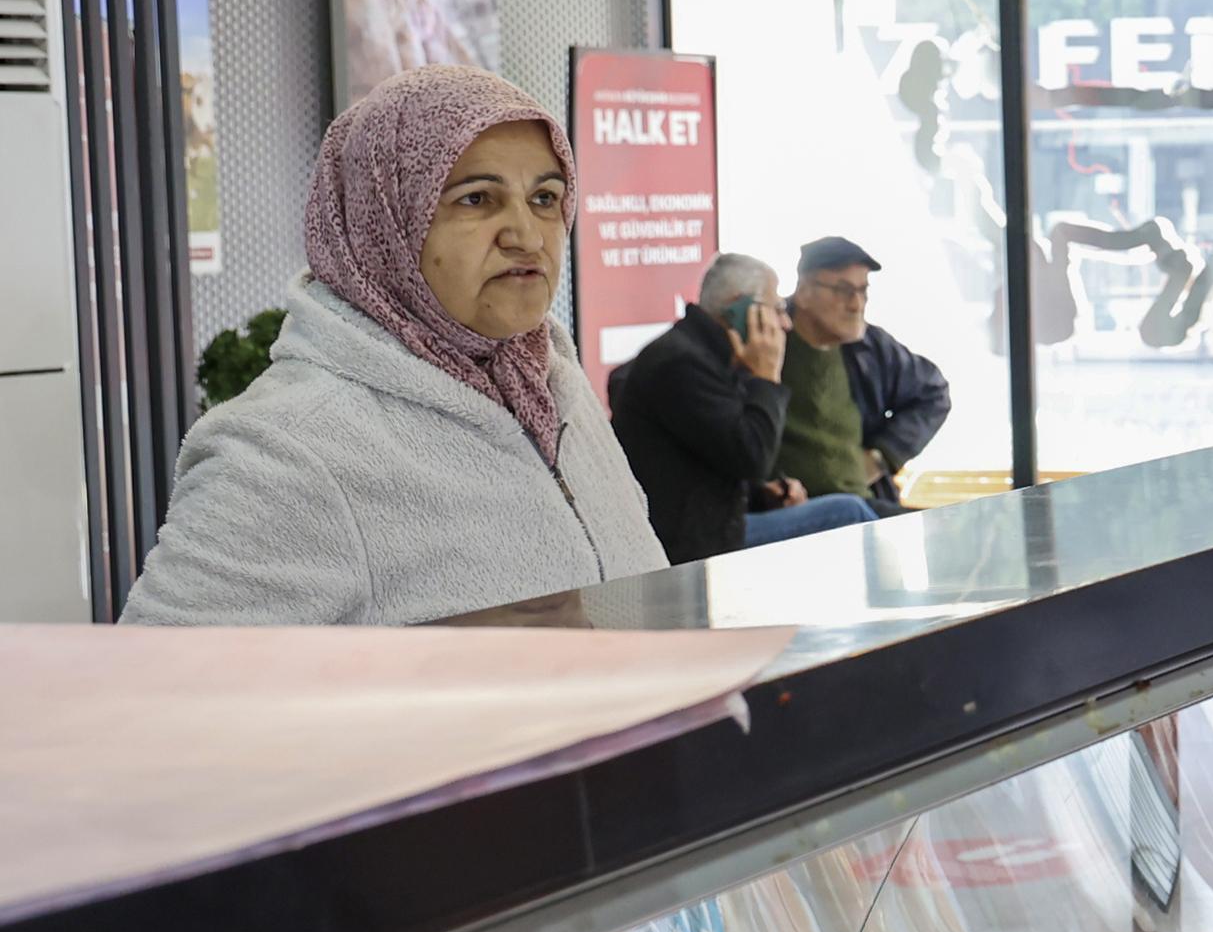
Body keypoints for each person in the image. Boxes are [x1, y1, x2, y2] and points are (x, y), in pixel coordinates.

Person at [125, 66, 664, 624]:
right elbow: (153, 697)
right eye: (476, 199)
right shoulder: (286, 452)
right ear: (382, 223)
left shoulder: (551, 389)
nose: (527, 236)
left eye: (545, 198)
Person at [608, 252, 877, 562]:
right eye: (777, 309)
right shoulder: (681, 363)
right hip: (689, 548)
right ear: (740, 308)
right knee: (847, 513)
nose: (786, 323)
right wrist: (767, 377)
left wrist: (763, 494)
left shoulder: (703, 354)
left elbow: (718, 460)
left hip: (713, 529)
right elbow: (752, 456)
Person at [775, 236, 949, 513]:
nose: (856, 304)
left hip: (864, 502)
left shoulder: (870, 346)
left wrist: (883, 456)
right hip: (791, 511)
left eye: (862, 290)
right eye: (843, 291)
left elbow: (933, 392)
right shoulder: (769, 340)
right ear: (804, 291)